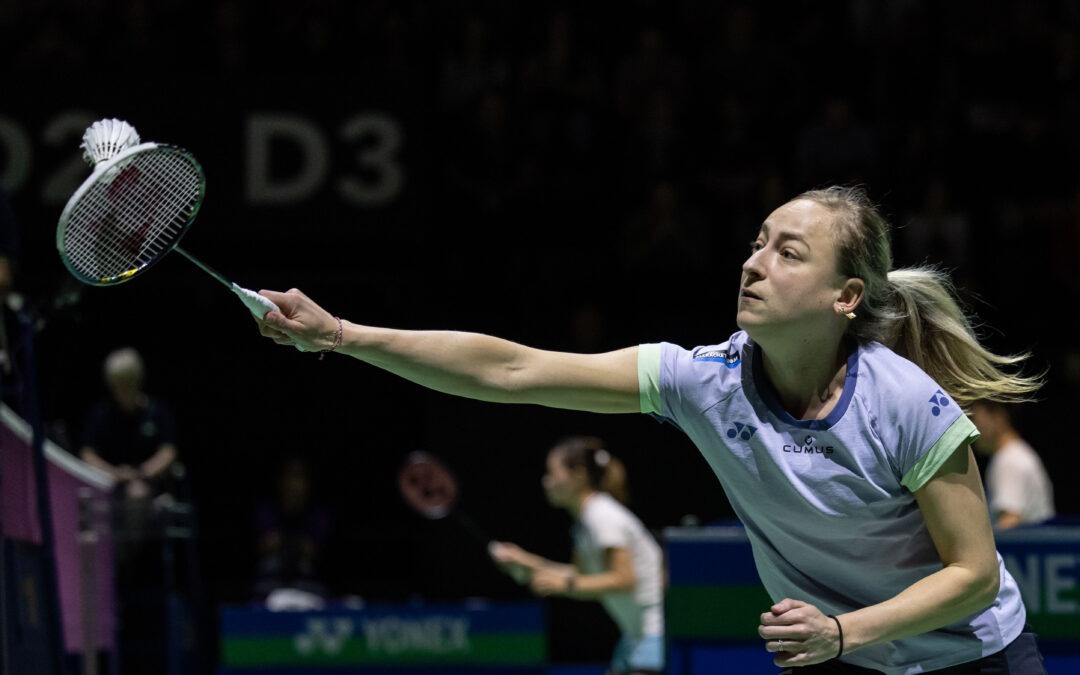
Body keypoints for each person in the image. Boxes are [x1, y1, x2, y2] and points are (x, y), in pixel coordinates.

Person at [255, 185, 1047, 673]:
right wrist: (343, 335)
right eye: (756, 243)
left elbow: (973, 573)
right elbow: (514, 369)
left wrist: (843, 630)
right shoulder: (703, 381)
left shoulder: (905, 401)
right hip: (836, 655)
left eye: (788, 251)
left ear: (845, 296)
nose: (754, 262)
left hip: (969, 656)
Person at [489, 436, 664, 675]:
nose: (546, 481)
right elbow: (583, 576)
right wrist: (524, 561)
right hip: (633, 636)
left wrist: (565, 585)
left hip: (655, 633)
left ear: (578, 475)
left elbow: (624, 579)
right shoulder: (585, 522)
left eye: (552, 472)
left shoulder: (602, 516)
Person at [253, 456, 332, 607]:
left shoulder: (319, 517)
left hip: (311, 593)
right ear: (279, 482)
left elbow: (316, 554)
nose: (293, 484)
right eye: (289, 476)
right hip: (267, 592)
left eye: (299, 477)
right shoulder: (265, 513)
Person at [969, 400, 1054, 530]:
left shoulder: (1009, 461)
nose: (970, 427)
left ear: (998, 417)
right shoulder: (1017, 453)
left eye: (974, 418)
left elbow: (1010, 523)